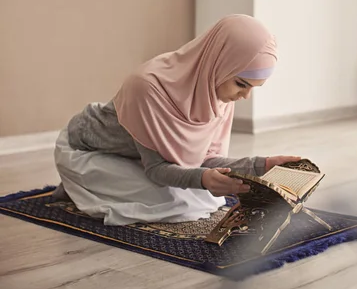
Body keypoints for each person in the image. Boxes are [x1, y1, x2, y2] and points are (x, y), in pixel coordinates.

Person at [52, 14, 301, 226]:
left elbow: (205, 159)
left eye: (254, 88)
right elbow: (158, 169)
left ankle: (89, 188)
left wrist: (263, 165)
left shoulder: (217, 93)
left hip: (132, 157)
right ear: (220, 62)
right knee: (180, 201)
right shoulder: (147, 87)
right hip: (85, 147)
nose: (245, 95)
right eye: (241, 84)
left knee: (205, 195)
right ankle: (78, 182)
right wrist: (203, 179)